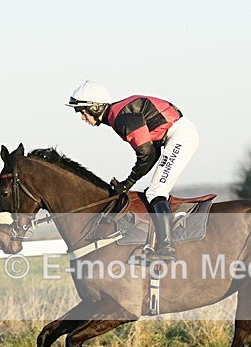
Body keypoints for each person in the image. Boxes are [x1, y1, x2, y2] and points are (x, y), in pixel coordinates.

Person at [66, 80, 200, 260]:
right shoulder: (117, 114)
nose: (83, 118)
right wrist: (128, 183)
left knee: (155, 192)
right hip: (177, 134)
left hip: (180, 136)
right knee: (153, 191)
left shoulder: (121, 119)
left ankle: (167, 247)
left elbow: (147, 154)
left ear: (96, 107)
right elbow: (151, 153)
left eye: (82, 112)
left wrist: (127, 183)